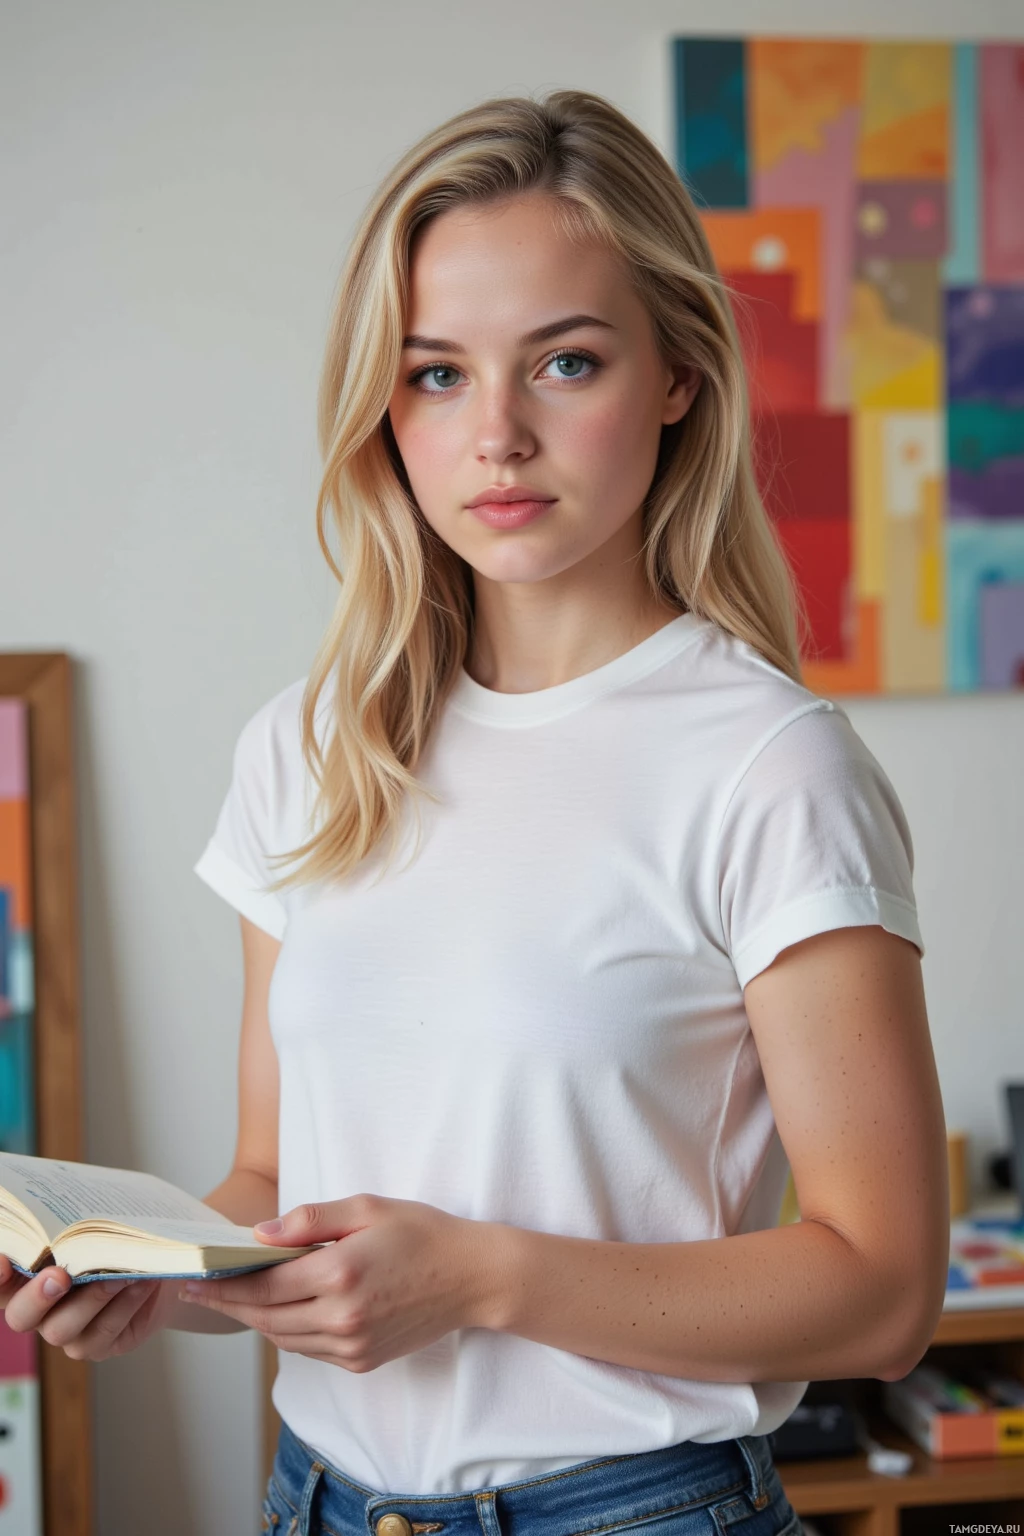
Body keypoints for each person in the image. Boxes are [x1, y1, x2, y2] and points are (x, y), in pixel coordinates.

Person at [1, 90, 949, 1535]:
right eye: (436, 374)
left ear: (680, 374)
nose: (495, 434)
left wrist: (485, 1275)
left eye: (564, 361)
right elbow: (271, 1183)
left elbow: (882, 1293)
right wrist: (161, 1277)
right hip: (319, 1502)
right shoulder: (309, 747)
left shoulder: (769, 766)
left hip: (636, 1512)